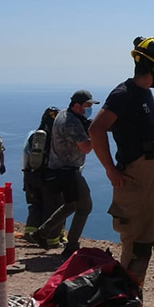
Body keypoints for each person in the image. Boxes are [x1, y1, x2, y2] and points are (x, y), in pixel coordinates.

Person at [88, 36, 154, 307]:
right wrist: (110, 170)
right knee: (138, 248)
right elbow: (96, 130)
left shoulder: (145, 94)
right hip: (136, 180)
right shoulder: (124, 94)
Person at [25, 90, 97, 258]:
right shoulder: (72, 122)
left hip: (58, 169)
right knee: (85, 207)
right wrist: (96, 134)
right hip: (69, 171)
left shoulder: (62, 114)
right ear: (76, 105)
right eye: (87, 106)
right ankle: (72, 245)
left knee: (71, 204)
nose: (88, 109)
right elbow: (86, 147)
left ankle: (42, 233)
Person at [22, 107, 66, 248]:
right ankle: (52, 240)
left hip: (32, 174)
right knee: (54, 208)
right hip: (52, 177)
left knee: (35, 204)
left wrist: (27, 174)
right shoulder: (59, 136)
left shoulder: (33, 135)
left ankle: (30, 233)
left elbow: (25, 155)